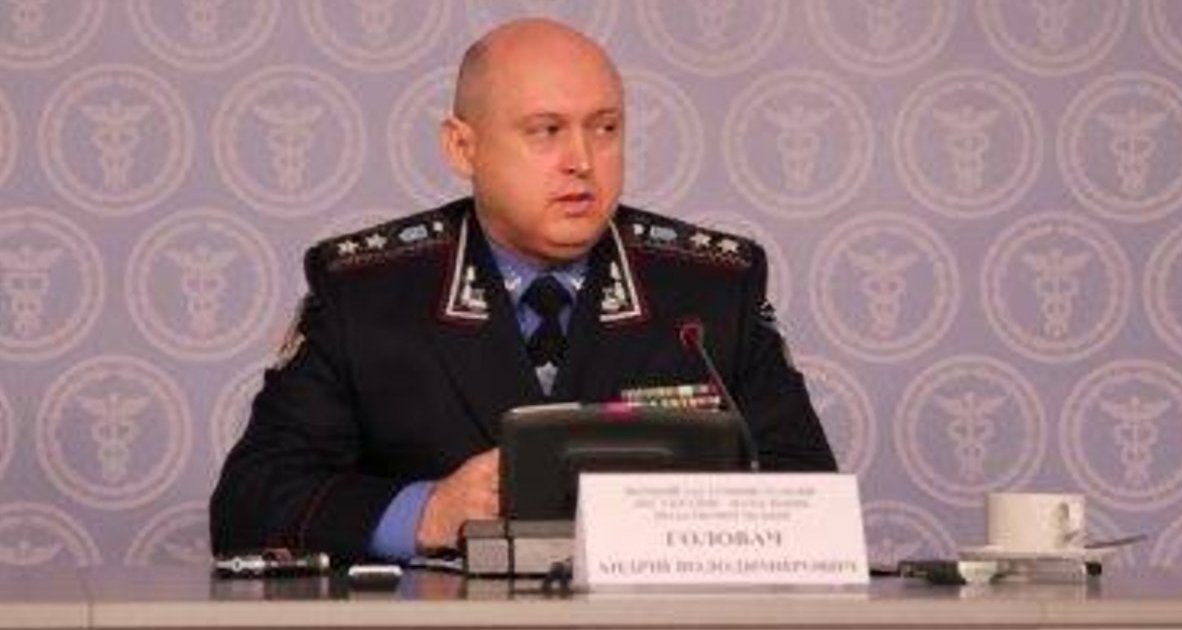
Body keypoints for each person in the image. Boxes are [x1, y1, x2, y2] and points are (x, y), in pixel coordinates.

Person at [210, 18, 836, 564]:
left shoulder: (711, 289)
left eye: (605, 128)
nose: (582, 160)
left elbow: (809, 500)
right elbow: (248, 506)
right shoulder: (367, 292)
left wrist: (656, 516)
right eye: (545, 131)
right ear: (463, 147)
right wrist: (428, 512)